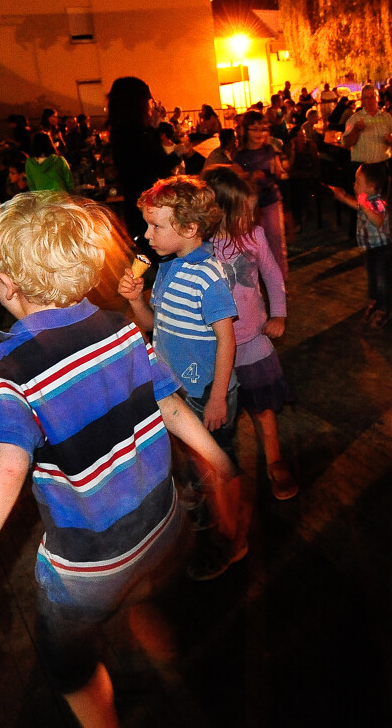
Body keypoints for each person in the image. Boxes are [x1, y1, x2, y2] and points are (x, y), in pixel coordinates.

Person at [0, 191, 236, 728]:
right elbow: (168, 403)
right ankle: (140, 616)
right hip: (163, 524)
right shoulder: (123, 328)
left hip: (89, 565)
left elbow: (7, 467)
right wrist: (218, 461)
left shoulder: (11, 371)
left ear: (5, 283)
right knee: (136, 580)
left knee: (71, 669)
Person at [118, 176, 246, 580]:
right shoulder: (169, 268)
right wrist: (137, 299)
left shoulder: (208, 276)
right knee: (194, 460)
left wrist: (219, 398)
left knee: (219, 464)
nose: (147, 234)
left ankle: (233, 537)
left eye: (156, 226)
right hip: (177, 389)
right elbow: (156, 326)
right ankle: (199, 505)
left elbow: (227, 341)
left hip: (207, 391)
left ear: (190, 229)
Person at [205, 167, 298, 500]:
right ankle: (221, 472)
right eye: (244, 211)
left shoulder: (255, 236)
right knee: (220, 414)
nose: (252, 216)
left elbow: (272, 277)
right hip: (214, 347)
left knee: (264, 407)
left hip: (254, 339)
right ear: (221, 211)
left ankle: (274, 460)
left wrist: (279, 315)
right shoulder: (200, 245)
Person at [106, 77, 193, 259]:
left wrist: (153, 128)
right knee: (167, 260)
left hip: (140, 209)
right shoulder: (133, 133)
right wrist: (177, 154)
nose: (151, 105)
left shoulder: (122, 131)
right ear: (137, 102)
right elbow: (157, 167)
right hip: (149, 211)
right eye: (148, 99)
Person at [331, 162, 392, 328]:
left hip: (382, 250)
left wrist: (362, 205)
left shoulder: (379, 201)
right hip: (369, 249)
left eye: (358, 182)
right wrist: (344, 197)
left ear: (371, 186)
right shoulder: (364, 201)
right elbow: (356, 204)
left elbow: (378, 220)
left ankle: (383, 308)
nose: (354, 185)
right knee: (373, 278)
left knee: (382, 280)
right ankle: (376, 301)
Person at [234, 111, 289, 279]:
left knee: (276, 242)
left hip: (271, 199)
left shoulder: (269, 150)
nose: (259, 133)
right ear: (246, 130)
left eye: (263, 129)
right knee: (256, 245)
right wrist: (250, 176)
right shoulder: (240, 155)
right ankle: (259, 282)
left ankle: (279, 281)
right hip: (251, 205)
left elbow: (280, 170)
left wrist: (281, 171)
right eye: (255, 129)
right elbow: (235, 180)